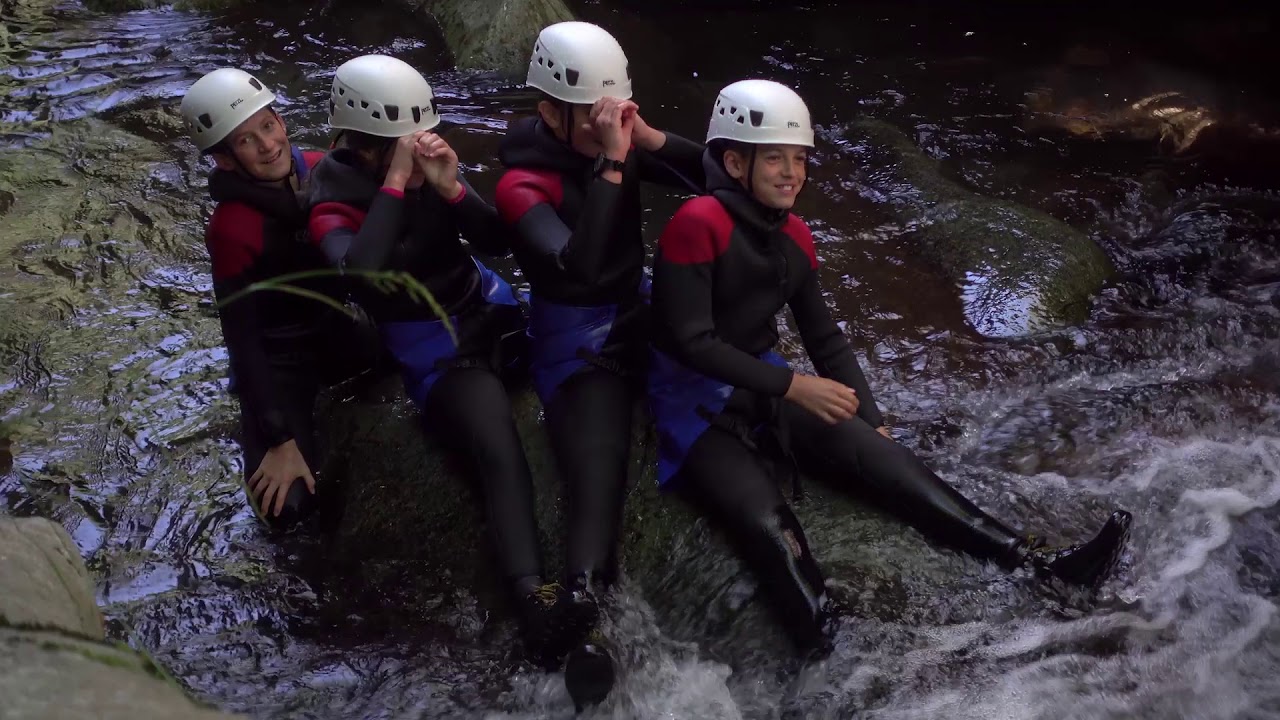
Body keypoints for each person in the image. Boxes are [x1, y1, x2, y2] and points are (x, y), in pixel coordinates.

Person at [647, 79, 1133, 654]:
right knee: (765, 520)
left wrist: (872, 419)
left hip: (763, 382)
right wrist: (794, 385)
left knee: (886, 460)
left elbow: (823, 336)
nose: (792, 173)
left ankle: (1036, 561)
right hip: (694, 404)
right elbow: (692, 343)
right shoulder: (698, 222)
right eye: (774, 158)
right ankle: (822, 638)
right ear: (734, 162)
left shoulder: (793, 233)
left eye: (799, 158)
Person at [304, 54, 576, 671]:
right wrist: (397, 183)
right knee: (497, 444)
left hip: (485, 308)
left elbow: (496, 240)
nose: (418, 147)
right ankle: (532, 598)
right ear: (364, 145)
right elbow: (360, 275)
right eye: (401, 144)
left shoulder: (429, 170)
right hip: (435, 348)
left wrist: (451, 186)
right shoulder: (332, 197)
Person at [493, 20, 706, 706]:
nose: (602, 123)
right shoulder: (521, 182)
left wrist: (648, 140)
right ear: (548, 111)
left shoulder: (617, 141)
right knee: (599, 460)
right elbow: (576, 265)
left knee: (730, 368)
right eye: (587, 113)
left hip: (635, 310)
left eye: (610, 109)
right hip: (575, 338)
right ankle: (582, 604)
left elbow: (720, 177)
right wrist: (615, 164)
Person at [180, 68, 381, 531]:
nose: (268, 145)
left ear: (281, 120)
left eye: (268, 126)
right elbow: (242, 338)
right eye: (247, 140)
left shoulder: (324, 169)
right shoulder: (232, 229)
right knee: (286, 511)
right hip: (279, 359)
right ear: (225, 160)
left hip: (341, 328)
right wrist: (278, 437)